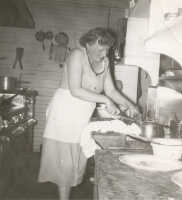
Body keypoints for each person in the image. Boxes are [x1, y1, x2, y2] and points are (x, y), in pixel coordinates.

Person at [38, 27, 140, 200]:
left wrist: (131, 105)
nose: (105, 52)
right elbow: (75, 90)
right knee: (66, 165)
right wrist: (106, 101)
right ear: (89, 44)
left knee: (76, 162)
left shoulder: (105, 61)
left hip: (81, 115)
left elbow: (111, 90)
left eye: (107, 48)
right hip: (64, 114)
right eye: (101, 48)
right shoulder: (77, 55)